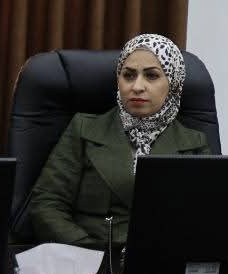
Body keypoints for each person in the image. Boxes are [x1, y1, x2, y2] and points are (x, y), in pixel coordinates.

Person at [26, 33, 212, 249]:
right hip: (92, 259)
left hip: (163, 263)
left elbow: (205, 217)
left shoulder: (194, 144)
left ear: (173, 82)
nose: (137, 86)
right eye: (129, 75)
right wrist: (88, 253)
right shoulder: (83, 129)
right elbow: (47, 205)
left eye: (151, 76)